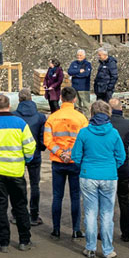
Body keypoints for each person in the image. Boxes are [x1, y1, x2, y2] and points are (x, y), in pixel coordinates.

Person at [0, 94, 36, 252]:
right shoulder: (20, 123)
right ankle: (24, 240)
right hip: (16, 171)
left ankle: (4, 242)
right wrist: (26, 160)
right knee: (20, 206)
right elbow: (30, 146)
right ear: (9, 106)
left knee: (0, 207)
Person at [71, 100, 127, 258]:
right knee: (107, 213)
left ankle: (90, 247)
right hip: (109, 175)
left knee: (90, 212)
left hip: (88, 175)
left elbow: (76, 156)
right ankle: (108, 249)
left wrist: (86, 166)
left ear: (92, 113)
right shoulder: (113, 133)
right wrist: (110, 167)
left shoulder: (84, 133)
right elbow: (121, 157)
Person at [44, 86, 88, 239]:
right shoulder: (81, 118)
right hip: (75, 162)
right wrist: (70, 153)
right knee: (75, 196)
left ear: (61, 98)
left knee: (57, 196)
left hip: (58, 161)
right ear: (75, 99)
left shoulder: (52, 118)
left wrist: (60, 153)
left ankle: (56, 229)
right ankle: (76, 229)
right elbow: (84, 140)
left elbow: (47, 140)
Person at [15, 89, 47, 225]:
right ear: (31, 99)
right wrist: (41, 147)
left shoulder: (14, 116)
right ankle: (34, 215)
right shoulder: (40, 117)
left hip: (18, 154)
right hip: (35, 153)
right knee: (35, 185)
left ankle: (18, 214)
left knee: (18, 185)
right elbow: (42, 137)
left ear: (19, 100)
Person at [108, 96, 129, 241]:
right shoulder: (128, 124)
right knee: (124, 200)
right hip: (123, 167)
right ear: (121, 109)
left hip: (108, 168)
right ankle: (126, 232)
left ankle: (105, 230)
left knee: (107, 202)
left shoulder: (106, 125)